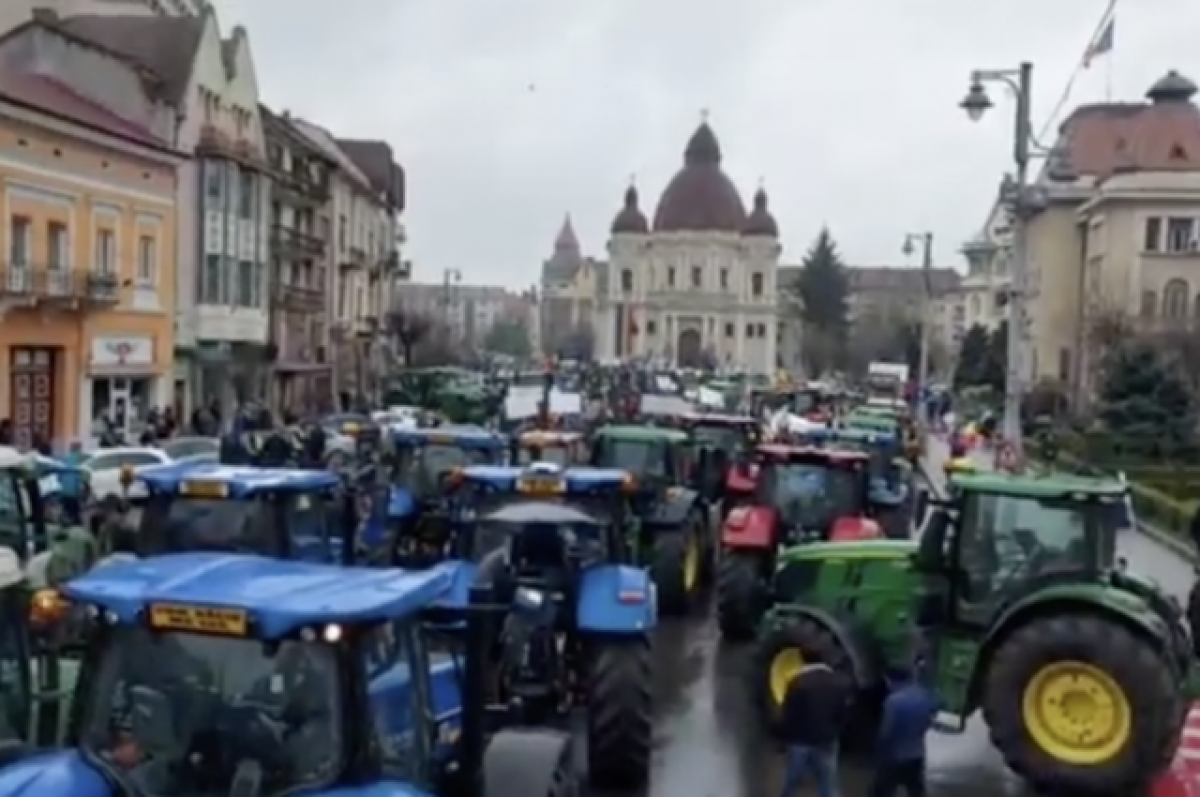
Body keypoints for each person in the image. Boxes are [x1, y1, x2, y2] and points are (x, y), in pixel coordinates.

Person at [777, 661, 849, 797]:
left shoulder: (797, 683)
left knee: (792, 779)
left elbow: (789, 715)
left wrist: (784, 740)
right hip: (826, 740)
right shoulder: (840, 684)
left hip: (800, 740)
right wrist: (835, 733)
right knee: (827, 780)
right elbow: (843, 715)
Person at [870, 663, 939, 797]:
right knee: (916, 792)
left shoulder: (892, 701)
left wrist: (877, 749)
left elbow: (886, 731)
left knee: (880, 793)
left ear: (891, 680)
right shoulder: (925, 697)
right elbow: (930, 720)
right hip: (917, 755)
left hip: (894, 757)